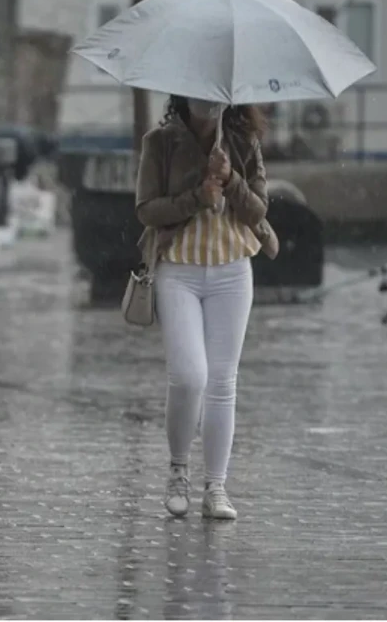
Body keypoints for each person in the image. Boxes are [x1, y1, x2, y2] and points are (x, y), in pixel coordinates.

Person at [134, 95, 279, 521]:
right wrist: (198, 195)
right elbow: (147, 210)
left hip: (233, 269)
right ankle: (178, 469)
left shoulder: (242, 140)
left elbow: (259, 208)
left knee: (221, 380)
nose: (208, 104)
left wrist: (231, 178)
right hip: (178, 268)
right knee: (188, 376)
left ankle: (216, 485)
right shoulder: (159, 142)